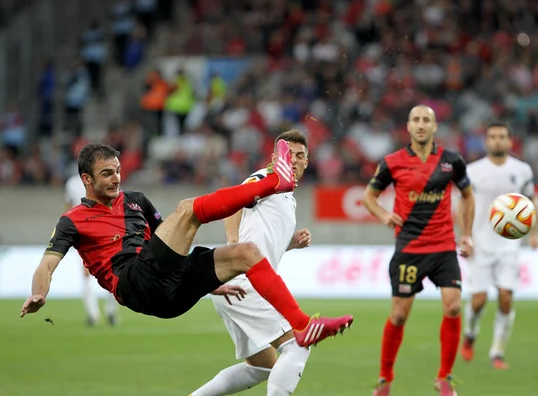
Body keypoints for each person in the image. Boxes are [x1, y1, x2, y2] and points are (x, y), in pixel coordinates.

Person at [21, 140, 353, 349]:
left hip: (170, 297)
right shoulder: (73, 220)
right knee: (188, 209)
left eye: (118, 171)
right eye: (107, 173)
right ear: (86, 179)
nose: (116, 179)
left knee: (245, 255)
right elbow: (47, 263)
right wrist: (39, 294)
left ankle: (303, 325)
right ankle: (273, 182)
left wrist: (209, 284)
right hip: (133, 282)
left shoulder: (136, 200)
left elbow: (169, 241)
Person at [362, 105, 475, 396]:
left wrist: (468, 235)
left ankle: (444, 377)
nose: (421, 125)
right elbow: (369, 197)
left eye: (427, 120)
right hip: (409, 249)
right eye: (416, 120)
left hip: (444, 247)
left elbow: (468, 195)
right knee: (399, 315)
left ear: (435, 126)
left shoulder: (452, 161)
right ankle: (385, 379)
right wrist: (385, 215)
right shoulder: (393, 162)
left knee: (452, 305)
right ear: (409, 126)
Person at [191, 129, 314, 396]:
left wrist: (290, 243)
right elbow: (233, 199)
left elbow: (261, 241)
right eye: (288, 154)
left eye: (300, 156)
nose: (293, 160)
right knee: (299, 343)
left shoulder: (286, 197)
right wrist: (233, 243)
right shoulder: (267, 178)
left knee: (262, 367)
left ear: (307, 162)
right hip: (245, 282)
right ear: (275, 157)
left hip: (235, 284)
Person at [460, 122, 538, 369]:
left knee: (506, 297)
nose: (497, 141)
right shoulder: (472, 171)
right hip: (480, 243)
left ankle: (497, 353)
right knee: (478, 300)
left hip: (509, 244)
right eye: (493, 136)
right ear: (486, 142)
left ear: (509, 141)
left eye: (502, 137)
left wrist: (534, 233)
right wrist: (465, 236)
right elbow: (462, 205)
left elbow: (530, 201)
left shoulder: (522, 170)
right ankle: (470, 334)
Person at [65, 173, 119, 326]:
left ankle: (111, 311)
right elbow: (68, 208)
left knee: (111, 272)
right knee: (86, 273)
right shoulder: (72, 182)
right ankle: (93, 315)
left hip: (104, 232)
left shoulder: (105, 178)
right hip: (82, 234)